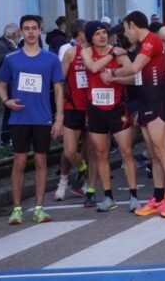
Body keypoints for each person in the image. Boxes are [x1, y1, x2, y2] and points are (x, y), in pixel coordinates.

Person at [112, 11, 165, 218]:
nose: (127, 34)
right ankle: (159, 198)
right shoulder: (143, 45)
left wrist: (113, 73)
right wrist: (115, 80)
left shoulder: (151, 41)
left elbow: (134, 68)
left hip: (158, 100)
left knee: (162, 150)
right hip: (146, 101)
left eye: (127, 29)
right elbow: (137, 76)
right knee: (153, 153)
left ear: (133, 25)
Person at [0, 15, 64, 225]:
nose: (30, 32)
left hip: (42, 118)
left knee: (40, 161)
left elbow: (58, 90)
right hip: (19, 119)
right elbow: (1, 85)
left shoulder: (51, 59)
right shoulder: (11, 59)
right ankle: (17, 209)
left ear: (39, 31)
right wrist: (6, 101)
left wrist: (59, 117)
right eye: (26, 28)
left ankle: (39, 207)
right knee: (19, 162)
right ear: (21, 31)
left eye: (34, 28)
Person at [82, 21, 140, 212]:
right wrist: (111, 55)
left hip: (117, 107)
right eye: (97, 33)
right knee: (100, 153)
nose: (102, 36)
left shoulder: (120, 52)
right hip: (96, 109)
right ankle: (108, 197)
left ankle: (133, 196)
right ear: (90, 37)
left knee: (126, 152)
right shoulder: (87, 52)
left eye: (104, 32)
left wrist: (115, 78)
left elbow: (133, 76)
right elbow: (92, 68)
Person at [55, 20, 91, 202]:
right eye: (88, 31)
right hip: (73, 106)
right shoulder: (70, 53)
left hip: (92, 107)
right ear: (80, 33)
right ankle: (64, 180)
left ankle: (81, 184)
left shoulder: (97, 52)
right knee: (69, 151)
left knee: (88, 148)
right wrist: (59, 113)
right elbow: (60, 83)